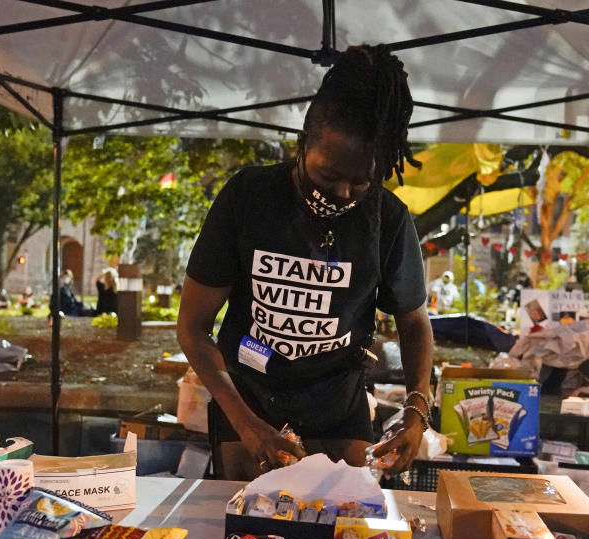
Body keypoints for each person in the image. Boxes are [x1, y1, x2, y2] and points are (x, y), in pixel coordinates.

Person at [177, 44, 433, 481]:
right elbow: (193, 327)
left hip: (337, 404)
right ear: (302, 144)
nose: (344, 194)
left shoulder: (387, 219)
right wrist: (244, 422)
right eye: (329, 176)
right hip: (248, 397)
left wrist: (417, 408)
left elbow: (414, 324)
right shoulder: (248, 198)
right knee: (246, 528)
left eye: (362, 181)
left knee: (342, 526)